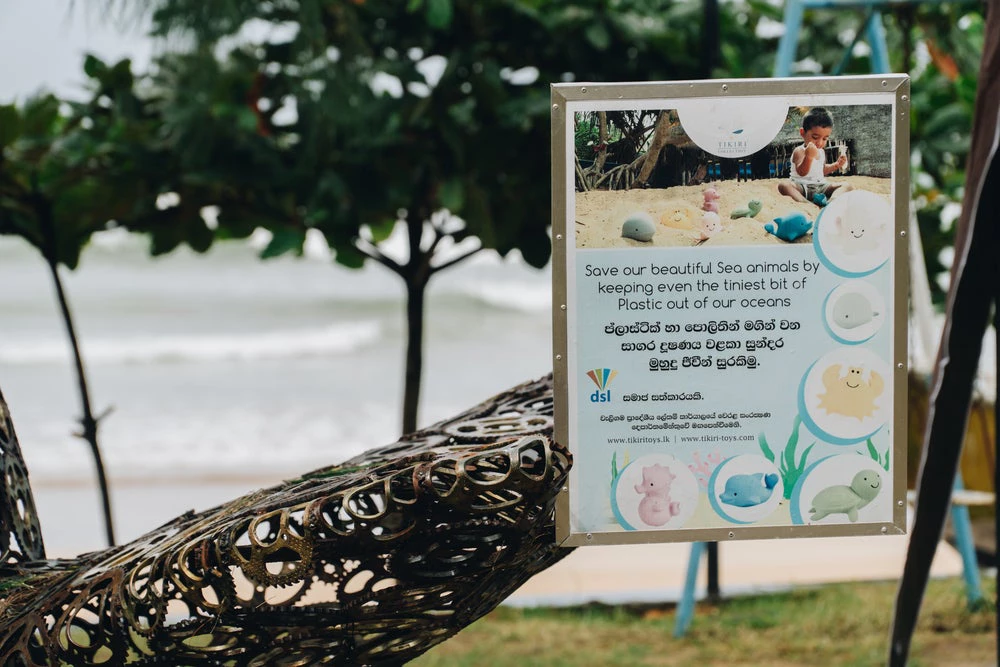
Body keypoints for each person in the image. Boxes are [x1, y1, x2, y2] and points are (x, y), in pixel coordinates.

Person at [777, 107, 852, 205]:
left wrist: (836, 165)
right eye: (815, 137)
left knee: (847, 186)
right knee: (784, 185)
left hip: (821, 186)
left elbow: (822, 170)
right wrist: (808, 157)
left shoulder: (821, 152)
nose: (820, 143)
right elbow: (802, 172)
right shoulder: (799, 151)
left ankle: (831, 202)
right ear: (803, 133)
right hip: (802, 186)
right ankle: (806, 203)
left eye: (825, 139)